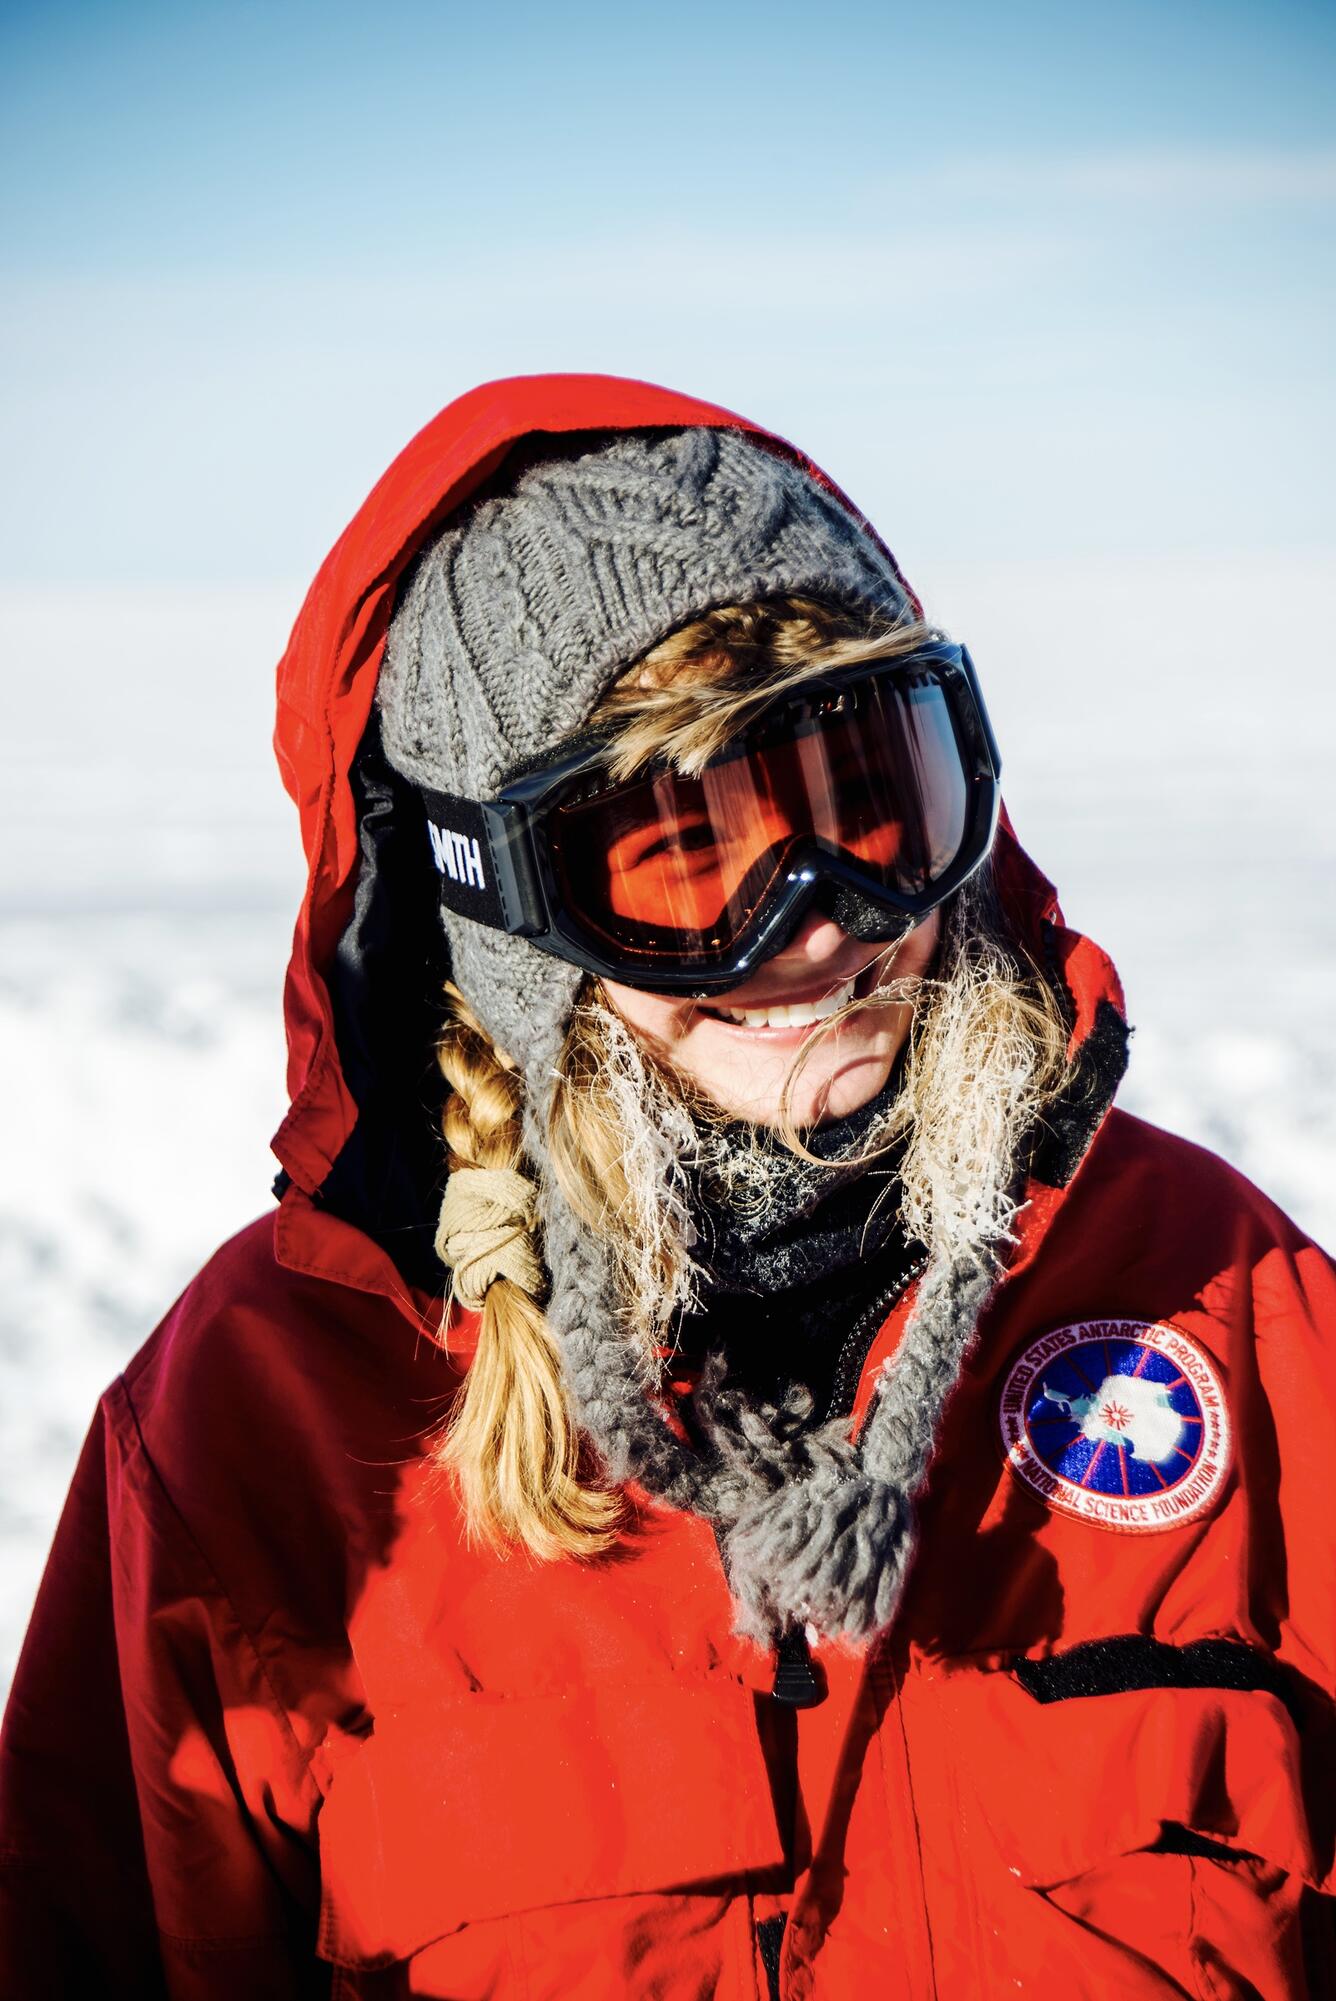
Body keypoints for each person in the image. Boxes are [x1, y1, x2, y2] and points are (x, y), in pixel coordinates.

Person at [0, 373, 1332, 2001]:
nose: (822, 918)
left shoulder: (1232, 1309)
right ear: (510, 920)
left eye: (872, 797)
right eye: (685, 852)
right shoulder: (268, 1422)